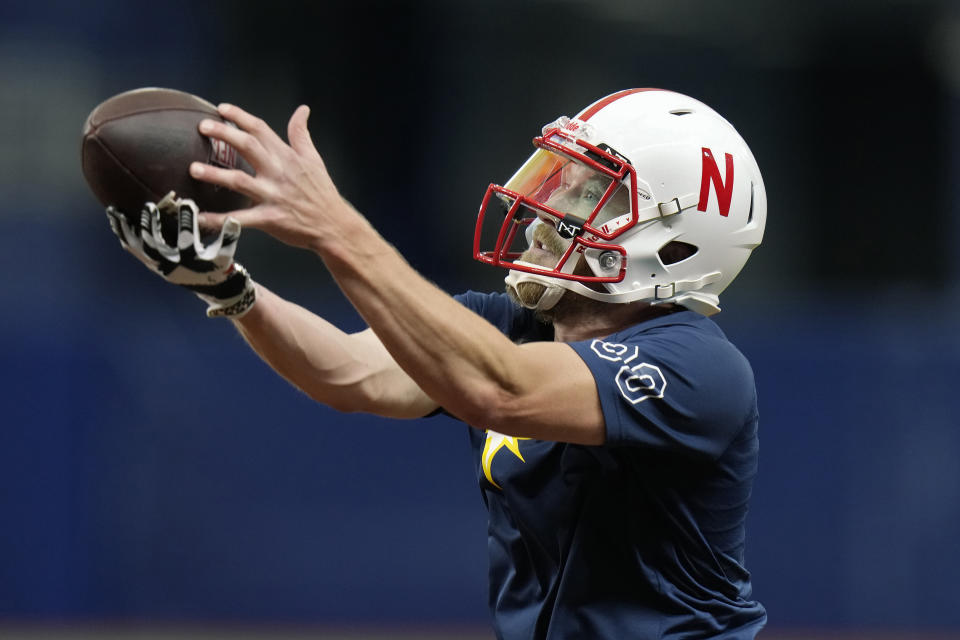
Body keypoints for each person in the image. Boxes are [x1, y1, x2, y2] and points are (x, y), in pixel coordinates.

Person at [106, 88, 768, 639]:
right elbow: (348, 372)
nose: (547, 209)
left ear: (676, 238)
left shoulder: (698, 370)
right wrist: (228, 286)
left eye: (592, 191)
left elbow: (500, 389)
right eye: (565, 179)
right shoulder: (514, 326)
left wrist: (335, 227)